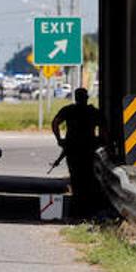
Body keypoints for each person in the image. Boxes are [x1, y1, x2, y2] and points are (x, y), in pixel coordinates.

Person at [50, 87, 106, 217]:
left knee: (75, 178)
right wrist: (101, 141)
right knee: (88, 178)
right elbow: (104, 129)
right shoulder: (93, 112)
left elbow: (55, 122)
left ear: (76, 98)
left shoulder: (69, 111)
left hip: (72, 150)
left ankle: (76, 209)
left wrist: (59, 139)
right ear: (86, 98)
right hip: (88, 149)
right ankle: (86, 208)